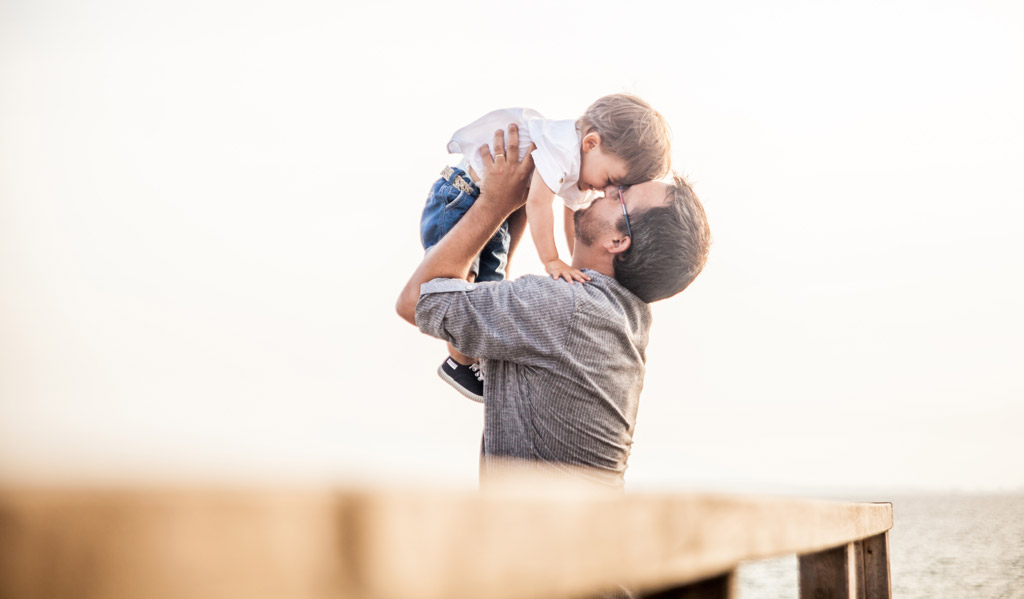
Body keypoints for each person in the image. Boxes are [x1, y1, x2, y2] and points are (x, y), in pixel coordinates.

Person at [397, 125, 711, 488]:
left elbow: (416, 300)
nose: (610, 187)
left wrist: (495, 202)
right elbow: (488, 322)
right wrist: (519, 208)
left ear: (617, 240)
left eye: (621, 193)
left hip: (535, 540)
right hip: (570, 536)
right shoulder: (625, 318)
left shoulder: (567, 309)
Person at [420, 94, 671, 402]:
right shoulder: (561, 149)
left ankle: (474, 359)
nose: (606, 191)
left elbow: (573, 213)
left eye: (615, 189)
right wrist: (552, 260)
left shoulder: (582, 164)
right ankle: (460, 364)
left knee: (489, 285)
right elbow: (538, 203)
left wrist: (575, 263)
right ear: (591, 143)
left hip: (490, 208)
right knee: (457, 286)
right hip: (459, 199)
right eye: (610, 180)